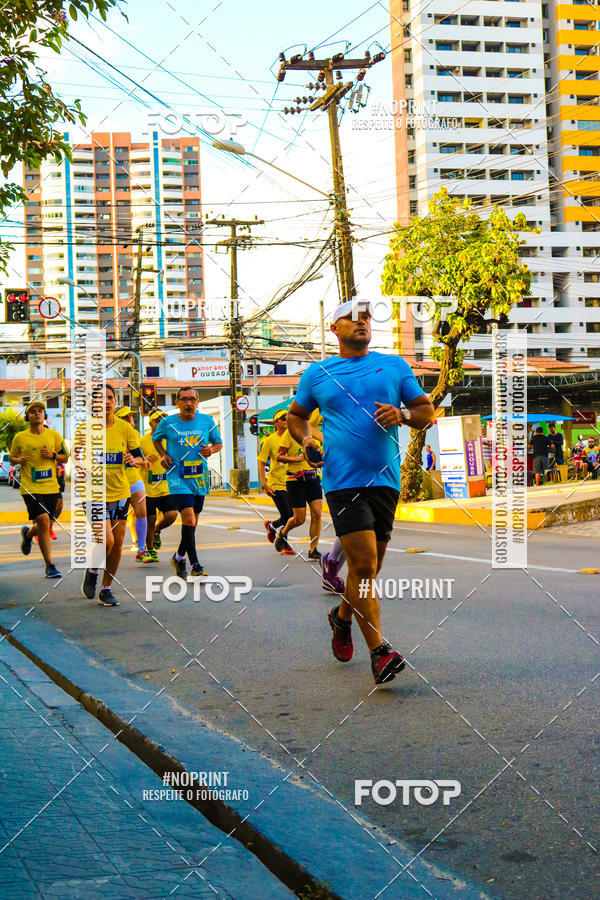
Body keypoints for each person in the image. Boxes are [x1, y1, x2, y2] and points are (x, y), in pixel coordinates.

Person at [287, 298, 435, 684]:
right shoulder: (317, 374)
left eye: (366, 318)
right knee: (365, 567)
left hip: (385, 481)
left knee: (370, 569)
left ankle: (341, 617)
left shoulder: (393, 365)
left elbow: (425, 412)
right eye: (352, 319)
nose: (362, 323)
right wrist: (306, 440)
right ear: (334, 329)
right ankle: (380, 653)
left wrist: (402, 414)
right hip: (341, 480)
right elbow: (296, 417)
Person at [77, 384, 145, 606]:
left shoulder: (126, 430)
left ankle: (105, 589)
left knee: (117, 543)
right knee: (106, 539)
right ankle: (93, 569)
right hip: (93, 493)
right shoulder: (84, 430)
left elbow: (141, 459)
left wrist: (134, 460)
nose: (105, 402)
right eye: (100, 399)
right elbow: (76, 460)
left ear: (115, 402)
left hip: (120, 492)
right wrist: (82, 467)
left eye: (109, 398)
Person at [152, 386, 222, 578]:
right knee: (189, 519)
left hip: (199, 476)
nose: (188, 403)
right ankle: (196, 565)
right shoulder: (168, 422)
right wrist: (163, 455)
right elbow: (155, 439)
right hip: (177, 476)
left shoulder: (207, 421)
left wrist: (212, 450)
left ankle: (179, 556)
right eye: (184, 399)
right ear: (178, 403)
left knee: (192, 524)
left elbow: (218, 443)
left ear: (197, 402)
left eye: (192, 399)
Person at [9, 400, 68, 578]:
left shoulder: (54, 435)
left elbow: (65, 457)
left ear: (44, 415)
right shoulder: (20, 437)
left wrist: (52, 455)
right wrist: (19, 461)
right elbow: (12, 457)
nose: (37, 413)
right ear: (28, 417)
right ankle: (50, 565)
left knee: (48, 523)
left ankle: (28, 534)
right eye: (33, 411)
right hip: (30, 487)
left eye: (40, 410)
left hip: (52, 486)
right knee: (43, 521)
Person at [274, 410, 323, 560]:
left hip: (313, 478)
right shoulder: (290, 433)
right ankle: (283, 533)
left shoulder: (315, 434)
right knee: (299, 519)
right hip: (295, 481)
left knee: (317, 514)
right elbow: (279, 456)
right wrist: (297, 459)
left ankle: (313, 549)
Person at [115, 406, 152, 563]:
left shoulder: (135, 434)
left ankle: (142, 549)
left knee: (141, 512)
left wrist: (138, 460)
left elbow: (140, 458)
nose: (129, 419)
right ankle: (112, 548)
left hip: (134, 478)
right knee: (117, 520)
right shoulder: (110, 434)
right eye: (124, 417)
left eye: (130, 416)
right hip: (116, 481)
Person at [141, 410, 178, 561]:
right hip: (148, 488)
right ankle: (150, 550)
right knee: (149, 520)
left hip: (166, 486)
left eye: (163, 419)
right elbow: (133, 459)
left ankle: (157, 530)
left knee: (172, 515)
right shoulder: (142, 441)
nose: (161, 422)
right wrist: (144, 458)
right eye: (157, 420)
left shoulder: (170, 439)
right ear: (150, 423)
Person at [257, 409, 293, 551]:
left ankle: (273, 526)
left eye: (287, 417)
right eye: (283, 418)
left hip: (291, 481)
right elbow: (261, 462)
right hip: (276, 482)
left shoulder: (293, 437)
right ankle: (284, 543)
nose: (286, 419)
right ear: (275, 422)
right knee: (287, 515)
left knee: (294, 516)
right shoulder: (269, 440)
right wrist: (264, 483)